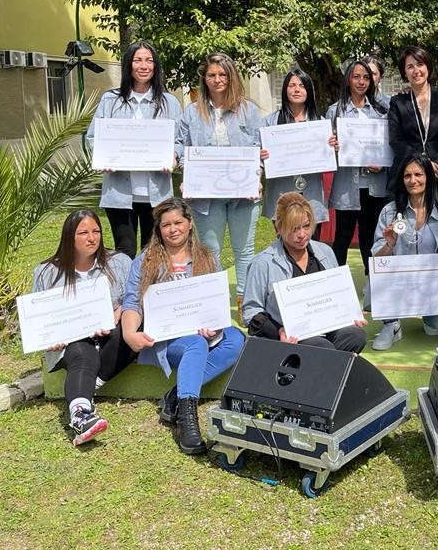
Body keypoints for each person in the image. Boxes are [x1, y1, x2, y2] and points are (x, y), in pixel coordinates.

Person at [121, 198, 244, 455]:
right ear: (158, 229)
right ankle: (187, 420)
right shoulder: (145, 261)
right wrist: (130, 332)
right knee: (195, 343)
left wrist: (216, 326)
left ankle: (175, 396)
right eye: (166, 224)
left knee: (235, 339)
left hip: (200, 331)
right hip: (165, 339)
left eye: (178, 222)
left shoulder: (206, 257)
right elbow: (132, 302)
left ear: (189, 224)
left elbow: (217, 301)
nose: (173, 229)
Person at [32, 210, 134, 446]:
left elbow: (132, 300)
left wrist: (117, 315)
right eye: (83, 233)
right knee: (82, 351)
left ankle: (84, 387)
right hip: (73, 342)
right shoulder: (47, 272)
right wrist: (52, 338)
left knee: (132, 327)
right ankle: (81, 417)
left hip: (112, 337)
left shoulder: (119, 263)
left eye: (96, 231)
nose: (92, 238)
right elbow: (40, 319)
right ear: (69, 237)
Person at [177, 52, 264, 305]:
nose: (217, 80)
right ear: (204, 79)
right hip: (206, 197)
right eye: (212, 75)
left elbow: (259, 145)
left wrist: (256, 174)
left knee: (244, 250)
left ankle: (246, 302)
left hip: (243, 195)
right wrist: (187, 174)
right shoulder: (192, 112)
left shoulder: (248, 110)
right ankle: (213, 303)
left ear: (231, 76)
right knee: (211, 251)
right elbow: (182, 145)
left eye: (222, 74)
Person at [86, 41, 182, 259]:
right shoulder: (110, 100)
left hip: (157, 194)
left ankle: (150, 293)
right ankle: (127, 294)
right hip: (119, 193)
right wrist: (103, 157)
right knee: (125, 252)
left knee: (154, 252)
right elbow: (93, 137)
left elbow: (180, 140)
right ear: (128, 64)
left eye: (149, 60)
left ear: (155, 66)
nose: (143, 65)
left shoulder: (169, 102)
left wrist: (174, 155)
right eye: (138, 60)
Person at [243, 192, 368, 352]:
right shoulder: (263, 263)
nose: (302, 235)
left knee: (356, 335)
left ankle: (328, 373)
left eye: (306, 226)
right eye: (294, 228)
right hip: (292, 336)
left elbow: (340, 294)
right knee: (321, 347)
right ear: (279, 228)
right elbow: (251, 310)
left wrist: (350, 314)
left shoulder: (325, 251)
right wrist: (279, 330)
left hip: (328, 327)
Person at [369, 154, 438, 349]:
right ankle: (392, 324)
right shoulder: (388, 212)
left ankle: (430, 317)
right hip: (398, 284)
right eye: (407, 175)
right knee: (372, 283)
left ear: (429, 177)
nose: (412, 180)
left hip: (430, 285)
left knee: (437, 325)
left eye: (418, 174)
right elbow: (376, 259)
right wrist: (390, 244)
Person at [328, 60, 390, 270]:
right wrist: (333, 146)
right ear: (348, 80)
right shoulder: (335, 111)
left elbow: (392, 143)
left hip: (376, 186)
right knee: (342, 239)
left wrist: (383, 162)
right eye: (356, 77)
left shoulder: (384, 109)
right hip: (347, 186)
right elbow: (325, 152)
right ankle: (336, 290)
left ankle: (373, 291)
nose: (362, 81)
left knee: (372, 239)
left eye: (366, 77)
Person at [260, 69, 337, 229]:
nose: (296, 89)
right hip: (281, 191)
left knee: (311, 244)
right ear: (284, 90)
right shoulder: (269, 122)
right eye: (292, 85)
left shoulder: (320, 123)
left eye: (302, 86)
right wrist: (262, 155)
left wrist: (332, 148)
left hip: (312, 193)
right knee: (284, 243)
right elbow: (259, 159)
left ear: (309, 90)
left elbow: (330, 160)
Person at [387, 46, 438, 206]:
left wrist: (437, 162)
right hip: (409, 175)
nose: (416, 70)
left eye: (420, 64)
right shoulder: (398, 102)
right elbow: (396, 140)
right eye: (410, 66)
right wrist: (422, 163)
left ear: (428, 66)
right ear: (404, 72)